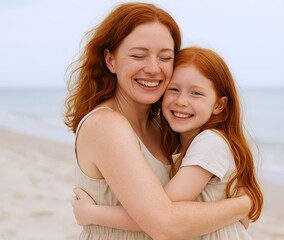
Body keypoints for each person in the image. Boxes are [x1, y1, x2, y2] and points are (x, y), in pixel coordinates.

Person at [64, 3, 252, 240]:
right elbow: (165, 224)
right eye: (138, 55)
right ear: (111, 60)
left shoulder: (165, 128)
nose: (153, 69)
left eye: (165, 57)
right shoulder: (106, 126)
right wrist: (242, 205)